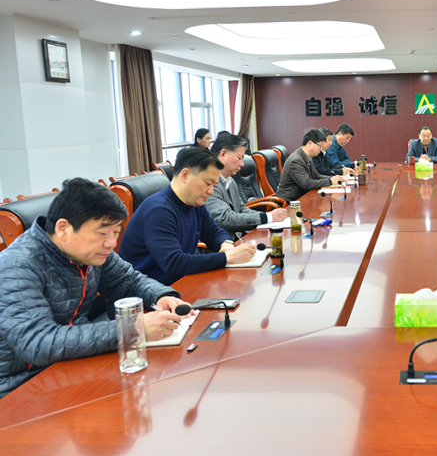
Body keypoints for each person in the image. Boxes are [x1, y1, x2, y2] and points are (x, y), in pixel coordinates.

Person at [0, 178, 192, 398]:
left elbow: (128, 281)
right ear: (63, 228)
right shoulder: (16, 266)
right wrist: (133, 329)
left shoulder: (91, 253)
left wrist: (162, 296)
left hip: (73, 365)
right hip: (20, 388)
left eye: (116, 232)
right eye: (102, 233)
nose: (111, 243)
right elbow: (39, 343)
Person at [119, 147, 256, 286]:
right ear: (185, 175)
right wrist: (227, 257)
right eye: (208, 184)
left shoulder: (194, 203)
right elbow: (174, 264)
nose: (211, 191)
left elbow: (214, 232)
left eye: (214, 185)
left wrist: (225, 244)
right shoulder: (159, 210)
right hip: (148, 292)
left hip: (178, 284)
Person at [205, 132, 289, 240]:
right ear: (223, 154)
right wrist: (268, 217)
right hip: (222, 244)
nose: (242, 164)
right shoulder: (209, 183)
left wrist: (270, 217)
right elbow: (225, 219)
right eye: (239, 158)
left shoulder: (230, 181)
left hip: (236, 240)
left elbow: (241, 209)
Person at [276, 128, 346, 203]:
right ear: (310, 144)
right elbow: (306, 184)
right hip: (289, 203)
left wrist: (334, 179)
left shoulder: (307, 157)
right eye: (320, 146)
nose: (321, 149)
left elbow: (316, 176)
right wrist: (330, 181)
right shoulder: (296, 161)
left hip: (302, 199)